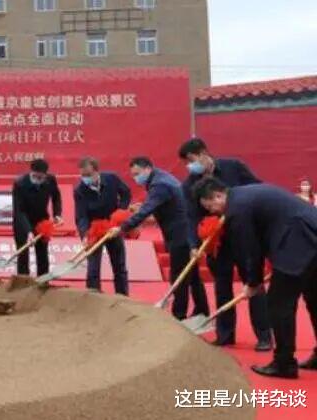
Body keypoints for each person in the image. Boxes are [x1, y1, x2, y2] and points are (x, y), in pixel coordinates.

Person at [193, 178, 317, 378]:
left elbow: (250, 250)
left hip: (296, 242)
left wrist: (253, 283)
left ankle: (284, 363)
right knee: (314, 299)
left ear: (218, 196)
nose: (213, 212)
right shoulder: (244, 195)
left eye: (210, 207)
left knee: (279, 303)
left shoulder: (237, 209)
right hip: (309, 234)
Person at [178, 137, 272, 350]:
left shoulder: (233, 167)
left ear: (203, 153)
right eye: (187, 163)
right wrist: (194, 244)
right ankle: (225, 334)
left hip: (245, 236)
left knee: (254, 284)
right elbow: (191, 217)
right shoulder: (189, 185)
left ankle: (264, 336)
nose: (190, 166)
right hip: (216, 242)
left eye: (191, 160)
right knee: (222, 287)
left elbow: (256, 189)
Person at [108, 157, 209, 320]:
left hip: (180, 234)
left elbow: (147, 210)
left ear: (148, 168)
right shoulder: (160, 178)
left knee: (179, 276)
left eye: (137, 174)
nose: (135, 178)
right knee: (192, 275)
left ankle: (179, 315)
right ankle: (202, 310)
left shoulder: (160, 184)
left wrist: (122, 227)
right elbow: (157, 208)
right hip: (184, 230)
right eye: (133, 175)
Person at [73, 157, 131, 295]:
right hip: (94, 229)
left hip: (113, 226)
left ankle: (122, 296)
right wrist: (85, 234)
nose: (85, 178)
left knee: (119, 265)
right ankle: (93, 296)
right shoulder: (79, 190)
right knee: (93, 267)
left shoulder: (111, 178)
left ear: (96, 171)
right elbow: (81, 216)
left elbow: (126, 193)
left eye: (88, 175)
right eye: (82, 175)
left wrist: (121, 211)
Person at [12, 159, 63, 276]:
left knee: (42, 252)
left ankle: (43, 281)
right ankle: (23, 280)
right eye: (35, 176)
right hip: (22, 222)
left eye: (41, 177)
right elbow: (19, 210)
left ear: (45, 175)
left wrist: (57, 214)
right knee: (23, 253)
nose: (38, 179)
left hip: (42, 221)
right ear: (31, 172)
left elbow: (56, 197)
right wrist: (29, 231)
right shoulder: (20, 183)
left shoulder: (50, 180)